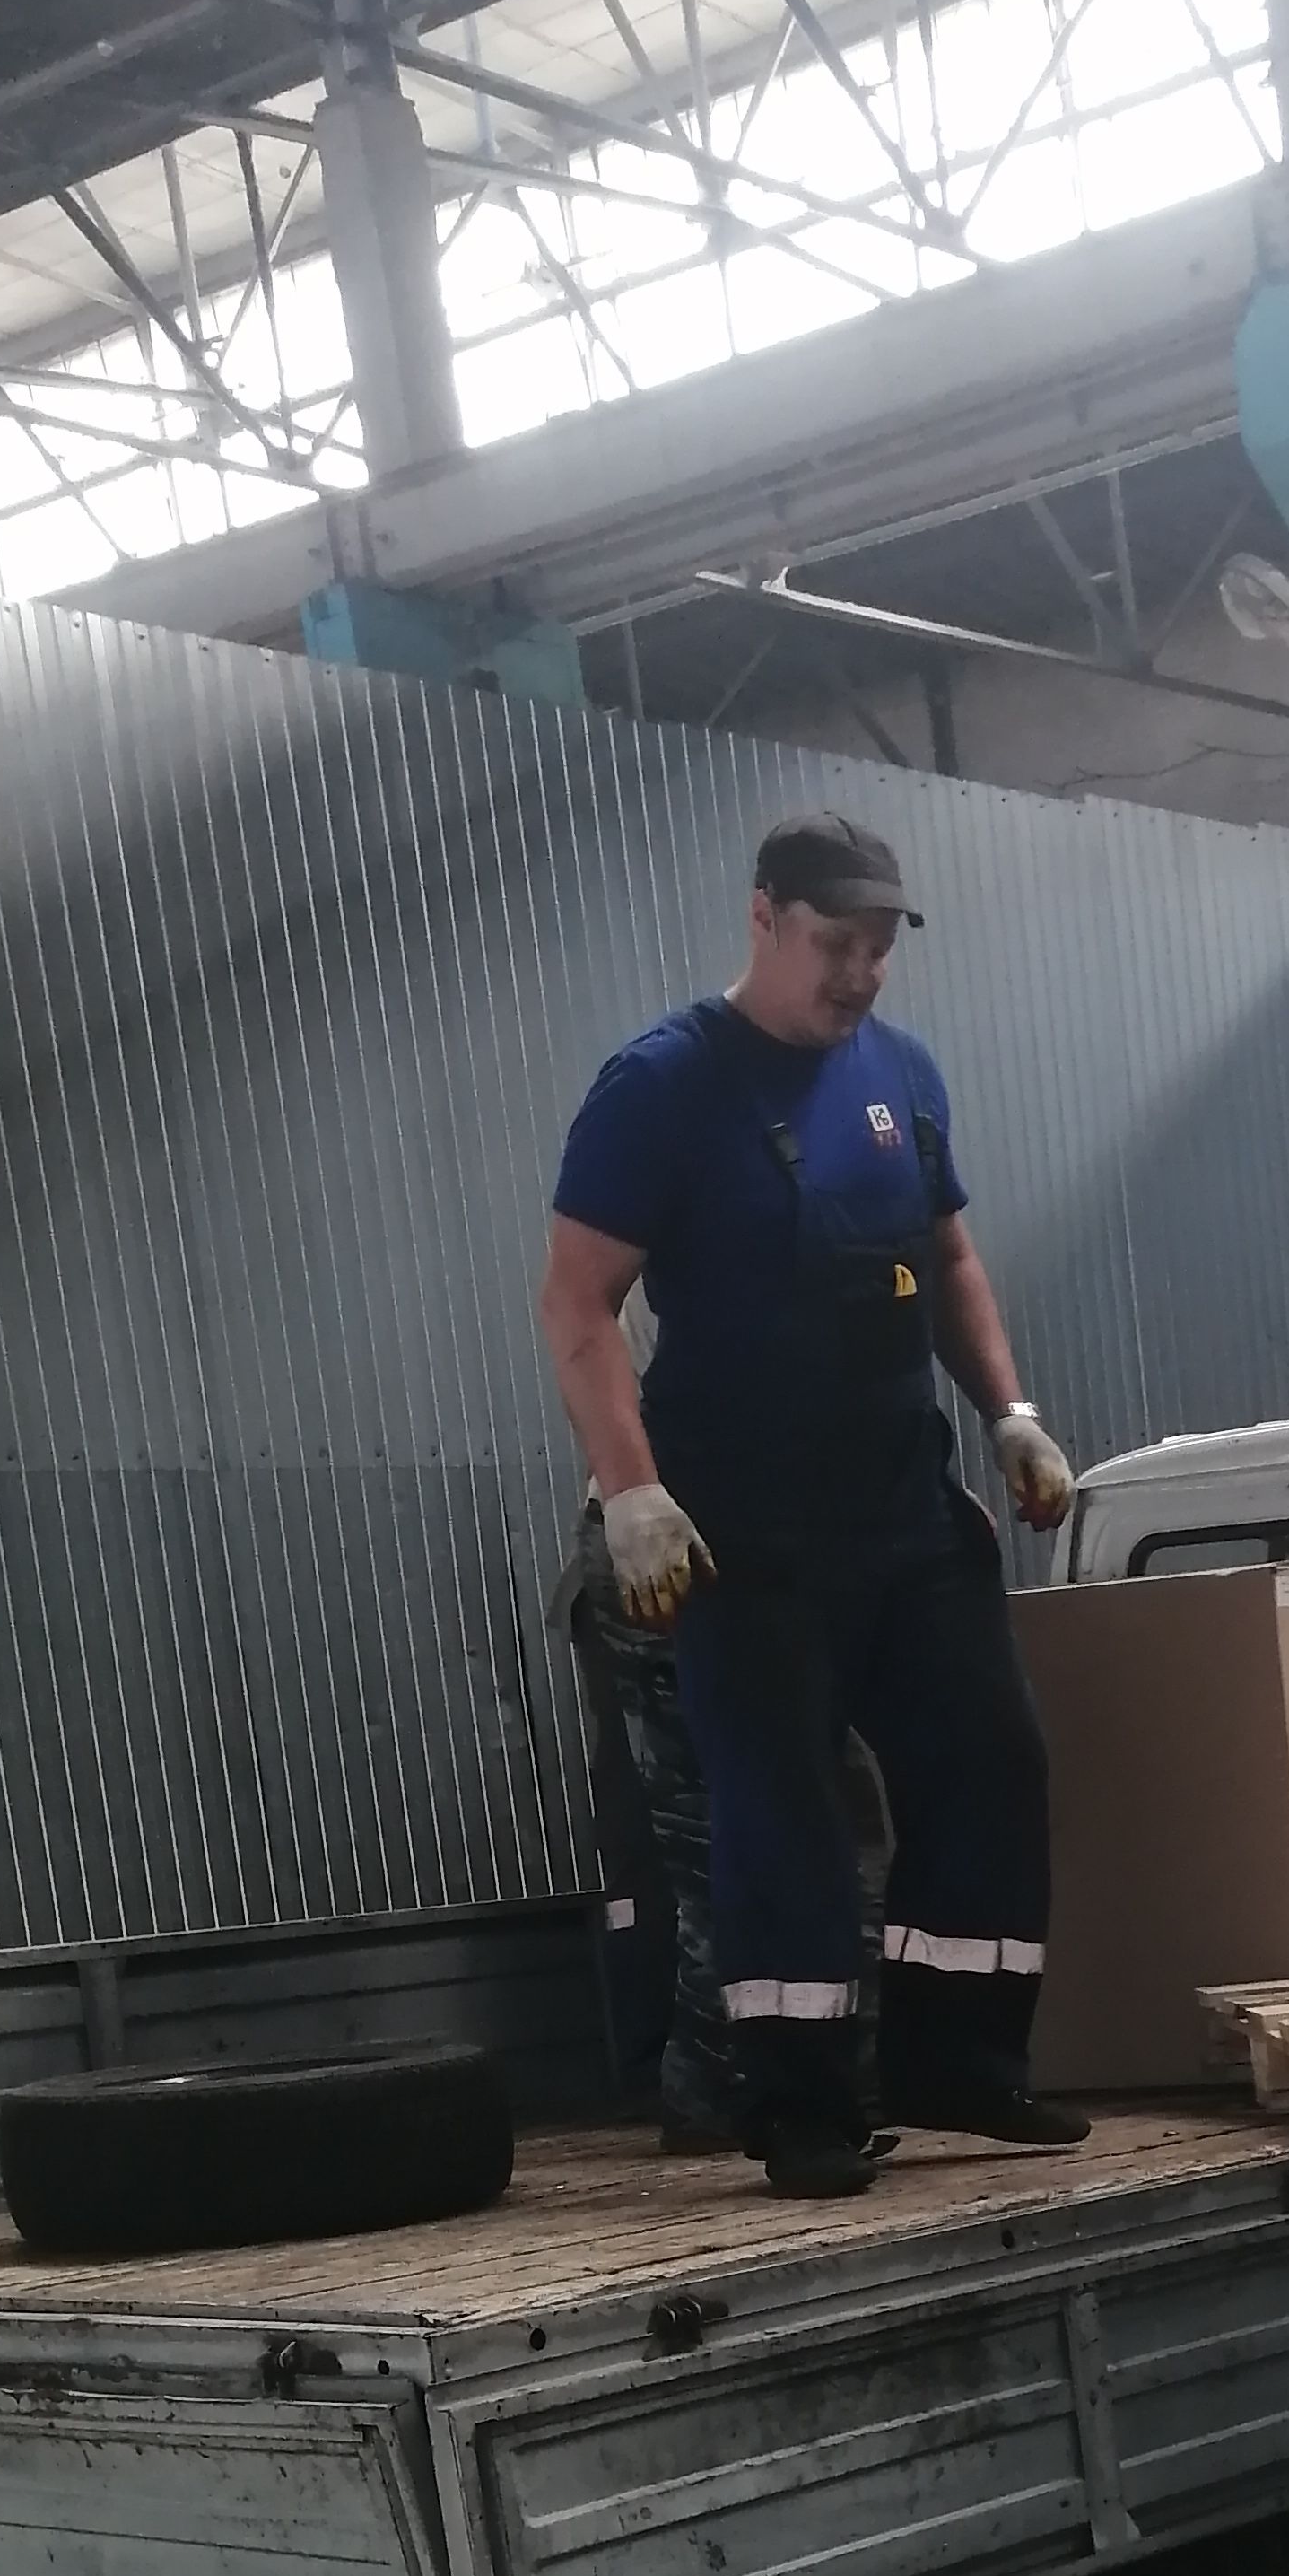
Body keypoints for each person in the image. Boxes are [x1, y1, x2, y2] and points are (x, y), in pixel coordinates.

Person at [536, 808, 1084, 2193]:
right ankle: (798, 2106)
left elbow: (947, 1258)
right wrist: (632, 1494)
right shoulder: (661, 1087)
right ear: (764, 917)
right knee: (781, 1810)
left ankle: (961, 2061)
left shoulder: (902, 1072)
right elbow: (577, 1304)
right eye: (836, 942)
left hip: (902, 1504)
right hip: (744, 1528)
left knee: (990, 1757)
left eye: (881, 948)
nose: (860, 974)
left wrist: (1008, 1413)